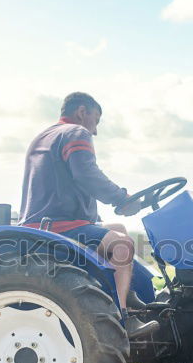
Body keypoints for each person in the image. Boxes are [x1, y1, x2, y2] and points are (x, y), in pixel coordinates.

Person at [19, 92, 159, 339]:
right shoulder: (75, 132)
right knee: (122, 245)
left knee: (120, 229)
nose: (95, 131)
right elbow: (86, 175)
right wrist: (121, 197)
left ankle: (127, 292)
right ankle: (123, 318)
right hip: (60, 226)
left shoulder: (45, 135)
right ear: (83, 112)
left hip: (44, 222)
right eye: (96, 120)